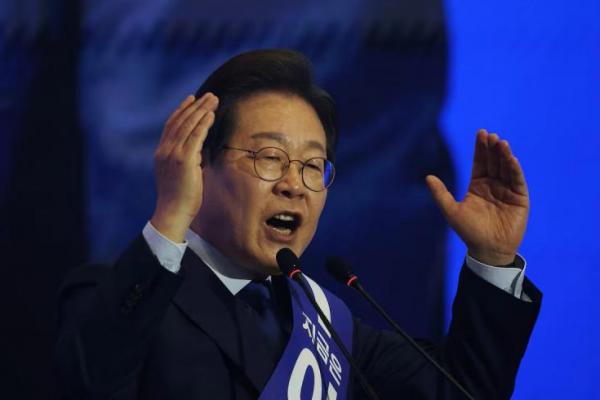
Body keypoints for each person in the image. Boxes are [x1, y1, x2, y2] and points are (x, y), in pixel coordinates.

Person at [56, 49, 541, 399]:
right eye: (270, 158)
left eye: (312, 165)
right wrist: (169, 218)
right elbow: (89, 381)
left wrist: (492, 260)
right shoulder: (117, 297)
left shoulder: (328, 330)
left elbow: (462, 392)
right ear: (198, 163)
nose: (295, 185)